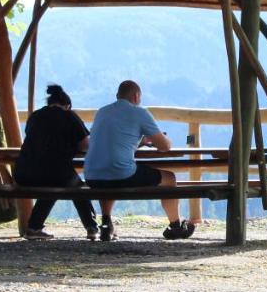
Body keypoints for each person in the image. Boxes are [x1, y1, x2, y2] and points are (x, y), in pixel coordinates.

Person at [85, 80, 194, 241]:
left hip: (92, 176)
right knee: (169, 178)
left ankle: (106, 223)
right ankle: (175, 226)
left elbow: (113, 142)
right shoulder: (140, 113)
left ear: (117, 96)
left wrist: (139, 141)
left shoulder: (102, 112)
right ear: (136, 96)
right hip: (122, 174)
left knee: (108, 172)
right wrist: (163, 138)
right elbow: (165, 146)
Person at [14, 84, 98, 241]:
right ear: (67, 105)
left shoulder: (35, 116)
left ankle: (34, 227)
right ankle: (91, 228)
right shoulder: (69, 116)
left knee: (52, 185)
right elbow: (86, 145)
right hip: (55, 172)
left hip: (23, 171)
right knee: (76, 187)